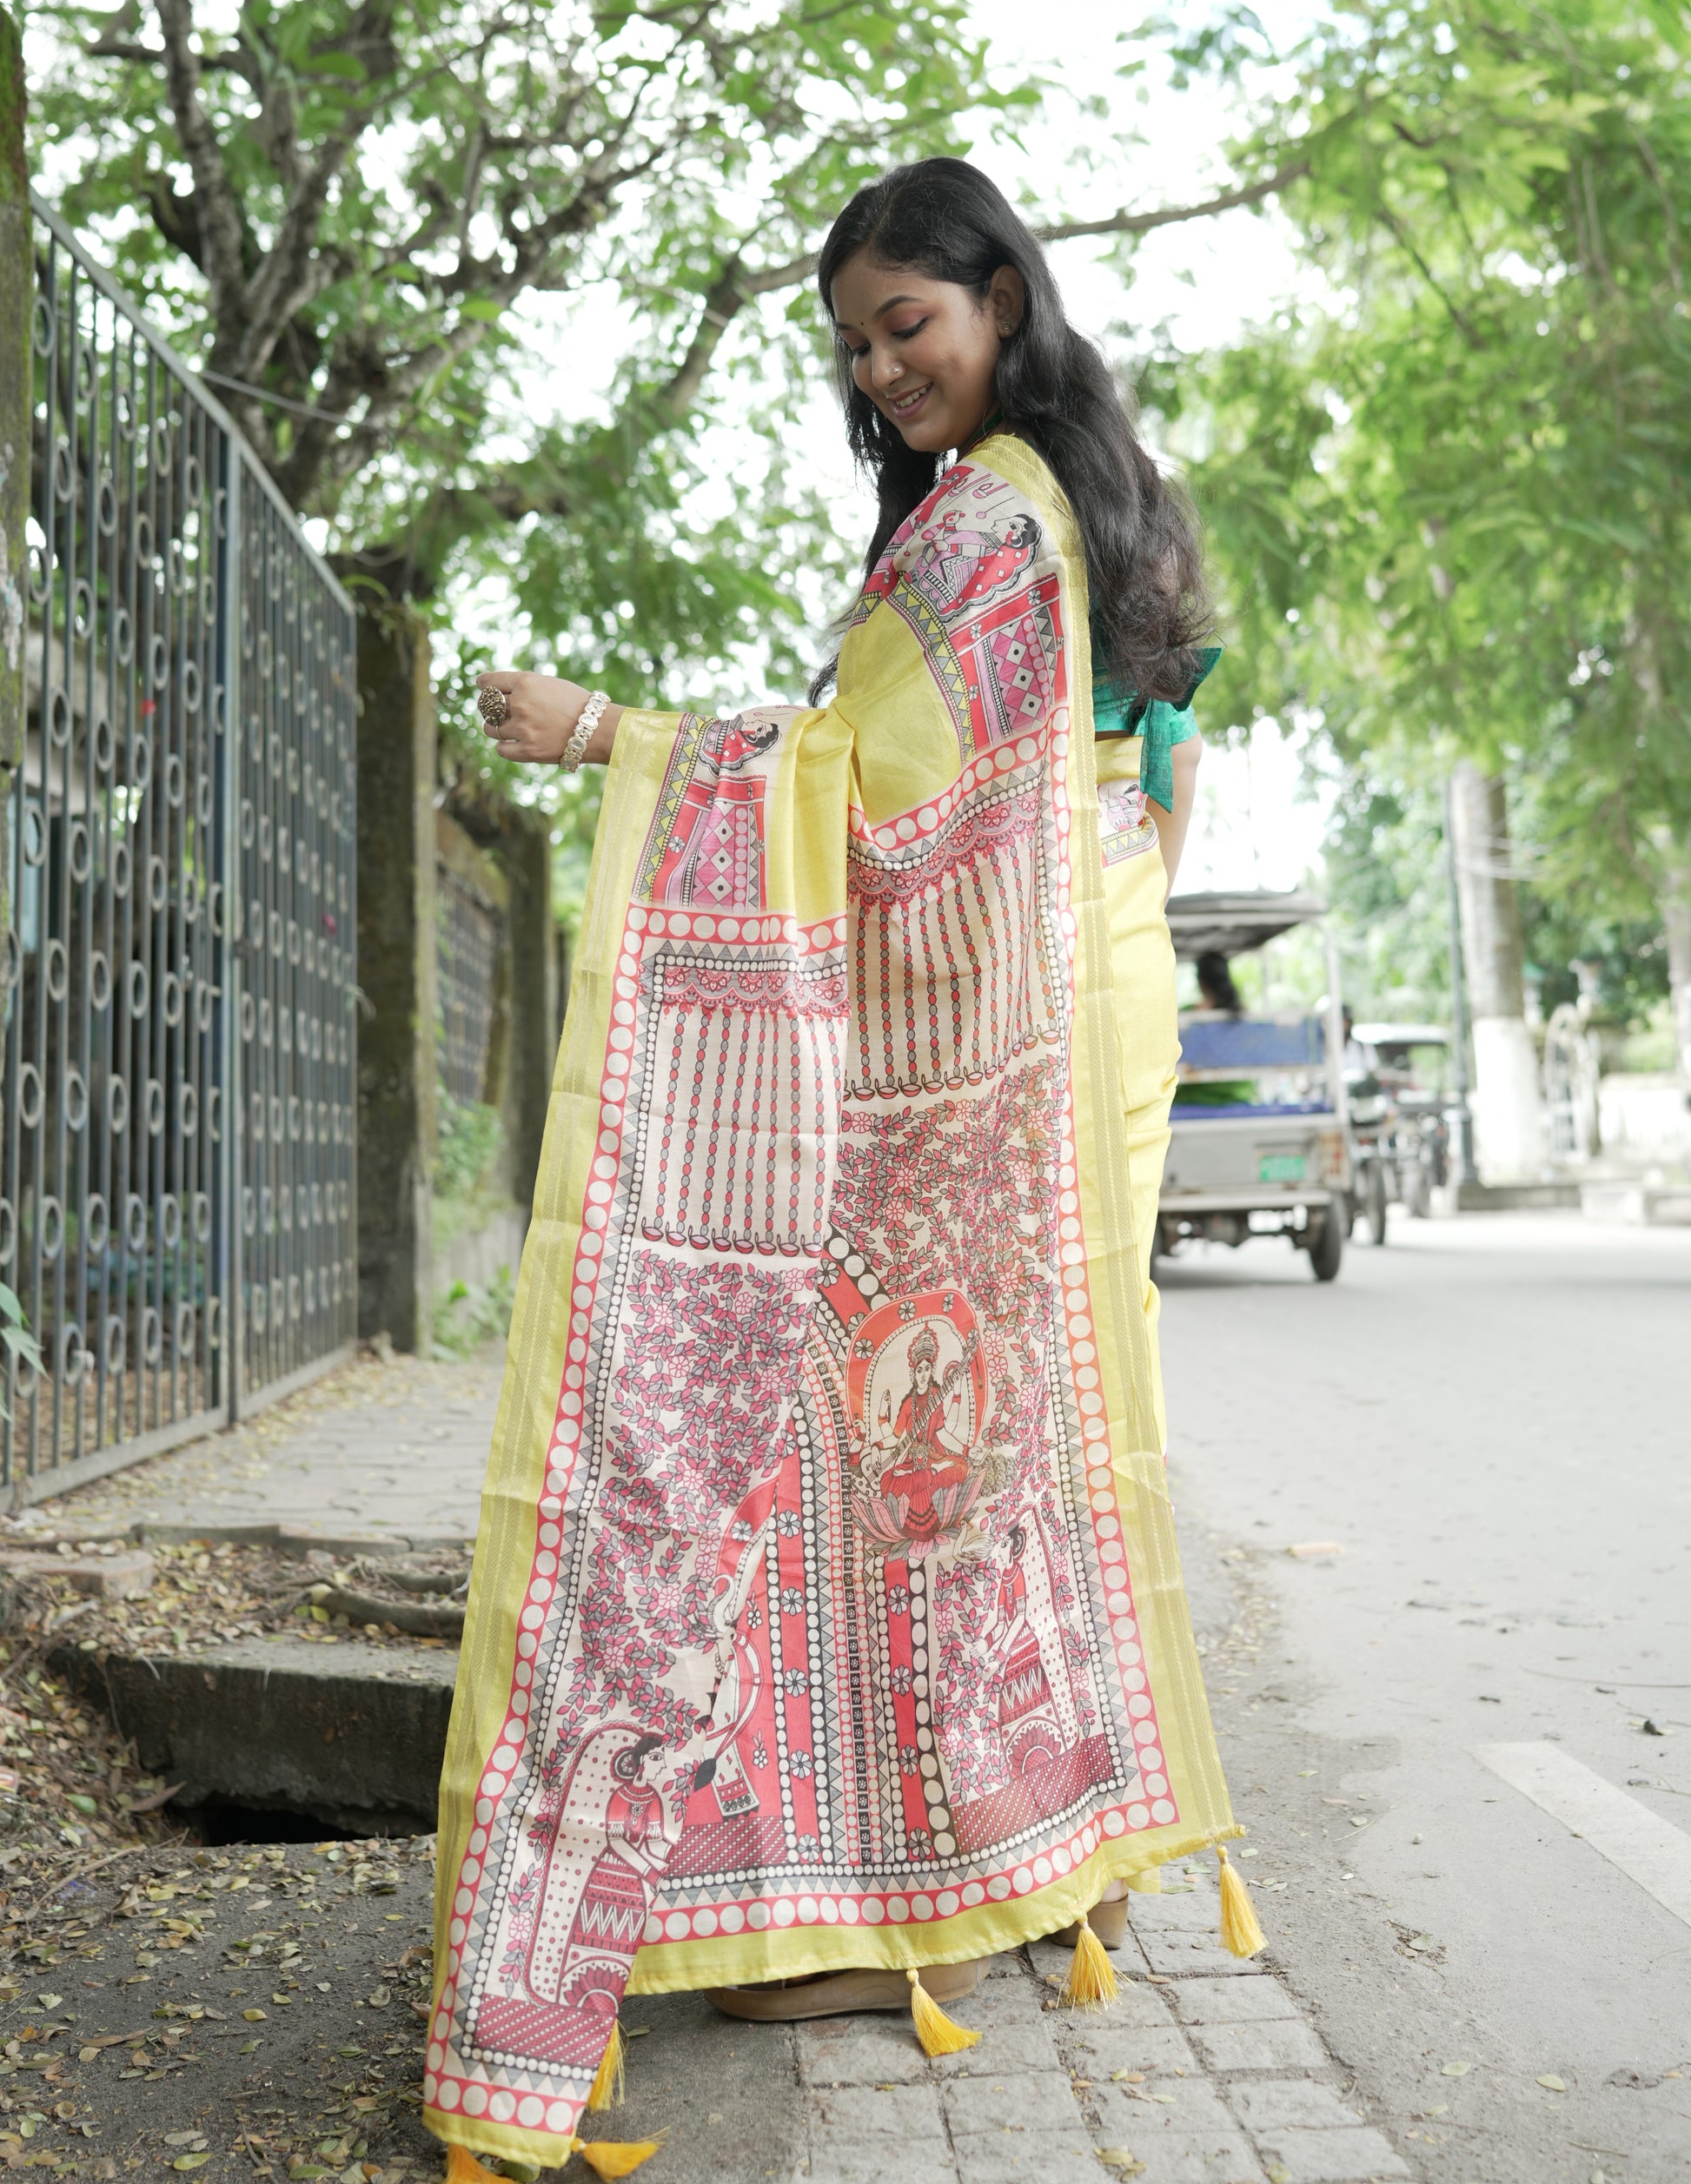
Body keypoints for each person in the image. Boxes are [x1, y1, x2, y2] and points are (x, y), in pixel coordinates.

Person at [425, 158, 1252, 2181]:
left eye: (916, 325)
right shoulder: (1040, 503)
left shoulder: (1003, 519)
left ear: (1002, 297)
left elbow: (886, 794)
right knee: (993, 1439)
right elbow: (1098, 776)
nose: (888, 370)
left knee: (914, 1434)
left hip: (1010, 1040)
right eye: (860, 343)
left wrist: (617, 734)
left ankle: (927, 1894)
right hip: (1062, 999)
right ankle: (1028, 1866)